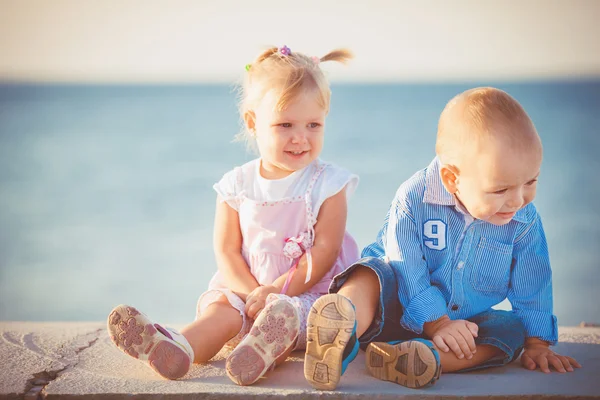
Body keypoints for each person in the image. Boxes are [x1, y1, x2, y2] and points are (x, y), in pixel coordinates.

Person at [107, 45, 361, 386]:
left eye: (313, 125)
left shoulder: (329, 184)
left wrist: (274, 293)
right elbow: (226, 250)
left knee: (288, 317)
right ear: (253, 122)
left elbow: (324, 251)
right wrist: (252, 292)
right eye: (285, 124)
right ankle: (178, 347)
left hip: (304, 295)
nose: (301, 137)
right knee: (221, 312)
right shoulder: (236, 184)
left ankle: (259, 352)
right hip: (246, 292)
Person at [305, 87, 581, 391]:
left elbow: (533, 284)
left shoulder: (523, 220)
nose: (518, 200)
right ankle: (341, 333)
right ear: (453, 179)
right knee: (369, 274)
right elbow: (406, 265)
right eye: (500, 190)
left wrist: (537, 343)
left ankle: (416, 359)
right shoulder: (415, 197)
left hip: (459, 323)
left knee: (511, 332)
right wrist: (436, 322)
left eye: (531, 181)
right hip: (390, 306)